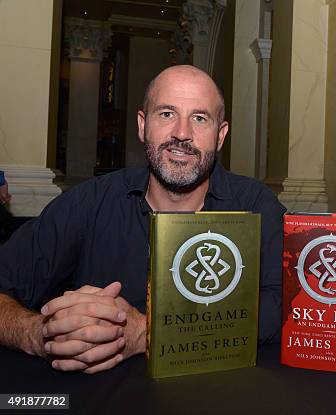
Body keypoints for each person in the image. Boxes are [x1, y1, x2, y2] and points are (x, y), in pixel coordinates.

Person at [0, 65, 285, 374]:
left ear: (220, 135)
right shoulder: (90, 202)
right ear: (142, 125)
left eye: (200, 118)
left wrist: (151, 332)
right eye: (166, 114)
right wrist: (39, 334)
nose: (182, 133)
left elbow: (287, 308)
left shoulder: (256, 206)